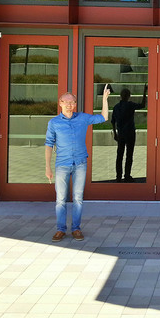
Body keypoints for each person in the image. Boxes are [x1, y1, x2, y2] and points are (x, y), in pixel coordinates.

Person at [45, 85, 111, 242]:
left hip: (80, 163)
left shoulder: (82, 118)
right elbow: (48, 144)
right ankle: (60, 229)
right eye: (66, 102)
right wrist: (47, 167)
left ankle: (76, 229)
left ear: (75, 104)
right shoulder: (54, 123)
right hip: (62, 164)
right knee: (60, 199)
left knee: (78, 198)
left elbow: (103, 117)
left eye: (72, 102)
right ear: (60, 103)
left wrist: (104, 100)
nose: (69, 105)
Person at [111, 84, 147, 182]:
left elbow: (113, 121)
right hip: (130, 133)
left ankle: (118, 176)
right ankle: (127, 175)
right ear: (128, 96)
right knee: (129, 155)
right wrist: (145, 92)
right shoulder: (130, 105)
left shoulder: (116, 107)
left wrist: (115, 134)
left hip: (121, 134)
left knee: (119, 155)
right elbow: (142, 105)